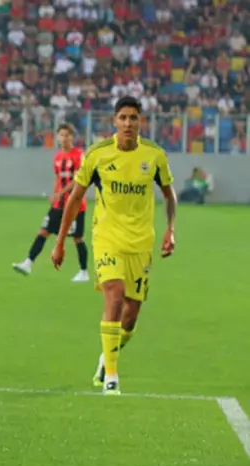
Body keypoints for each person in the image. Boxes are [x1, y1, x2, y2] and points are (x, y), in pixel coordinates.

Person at [52, 96, 177, 395]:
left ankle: (106, 356)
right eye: (123, 117)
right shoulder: (97, 155)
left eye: (134, 118)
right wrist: (60, 242)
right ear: (114, 121)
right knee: (114, 294)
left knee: (131, 316)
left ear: (141, 122)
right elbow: (75, 198)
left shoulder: (154, 156)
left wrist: (170, 230)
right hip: (107, 237)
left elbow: (169, 194)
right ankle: (111, 376)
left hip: (141, 242)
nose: (128, 123)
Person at [12, 123, 90, 282]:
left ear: (72, 137)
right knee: (43, 231)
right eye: (61, 135)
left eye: (67, 135)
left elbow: (78, 180)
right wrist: (55, 194)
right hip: (58, 205)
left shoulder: (79, 155)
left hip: (75, 204)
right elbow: (58, 178)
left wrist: (60, 193)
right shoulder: (58, 157)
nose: (64, 138)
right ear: (58, 137)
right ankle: (28, 263)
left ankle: (84, 272)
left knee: (77, 238)